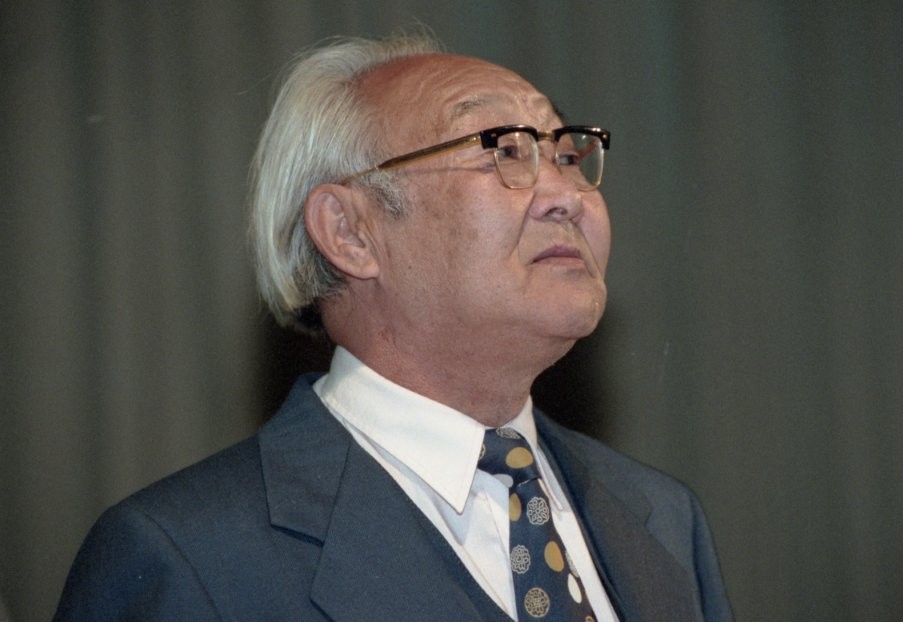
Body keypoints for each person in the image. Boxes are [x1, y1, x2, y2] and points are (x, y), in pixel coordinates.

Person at [55, 35, 732, 621]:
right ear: (349, 233)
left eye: (565, 155)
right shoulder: (187, 556)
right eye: (504, 151)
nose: (567, 197)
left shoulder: (662, 517)